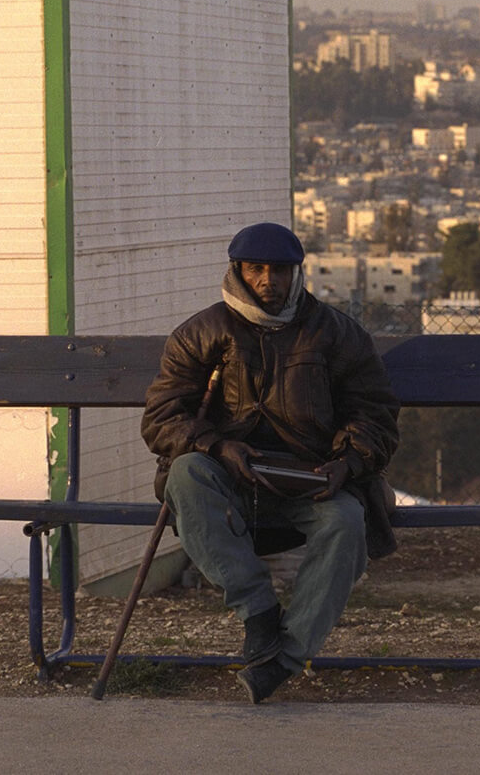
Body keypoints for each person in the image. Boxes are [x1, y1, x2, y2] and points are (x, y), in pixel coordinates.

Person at [141, 222, 401, 703]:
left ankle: (282, 659)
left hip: (311, 482)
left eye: (279, 269)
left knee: (347, 519)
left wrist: (345, 465)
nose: (268, 280)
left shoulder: (337, 334)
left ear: (296, 272)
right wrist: (220, 447)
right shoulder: (201, 333)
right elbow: (162, 419)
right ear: (237, 271)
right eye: (256, 269)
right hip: (230, 481)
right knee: (185, 473)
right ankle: (259, 614)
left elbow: (376, 416)